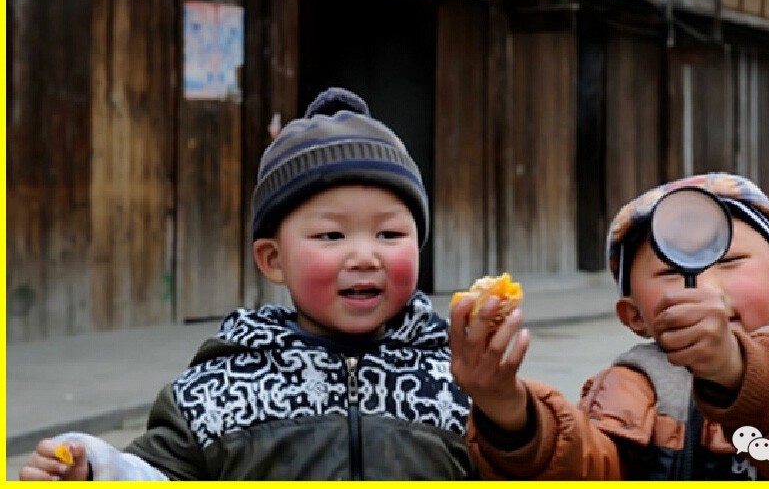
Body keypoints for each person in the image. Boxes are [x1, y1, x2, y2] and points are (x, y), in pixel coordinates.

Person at [20, 87, 476, 481]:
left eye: (389, 234)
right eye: (331, 236)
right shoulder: (223, 386)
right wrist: (95, 469)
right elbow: (159, 475)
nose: (364, 256)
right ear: (273, 260)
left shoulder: (458, 375)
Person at [450, 172, 769, 480]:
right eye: (670, 272)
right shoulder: (629, 386)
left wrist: (743, 373)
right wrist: (510, 413)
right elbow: (590, 469)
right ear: (634, 316)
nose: (705, 288)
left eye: (731, 261)